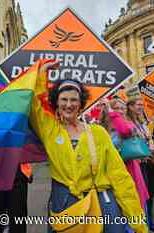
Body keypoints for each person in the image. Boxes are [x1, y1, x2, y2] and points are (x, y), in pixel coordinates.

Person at [29, 60, 146, 232]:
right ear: (56, 102)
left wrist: (138, 222)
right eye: (64, 100)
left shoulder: (98, 132)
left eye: (74, 100)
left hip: (102, 203)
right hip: (66, 205)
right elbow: (34, 106)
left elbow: (120, 176)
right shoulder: (50, 129)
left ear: (81, 103)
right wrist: (41, 76)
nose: (69, 105)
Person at [126, 94, 154, 230]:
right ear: (130, 107)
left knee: (149, 193)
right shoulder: (129, 123)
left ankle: (149, 222)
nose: (141, 107)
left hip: (148, 161)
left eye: (142, 105)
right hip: (138, 163)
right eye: (138, 105)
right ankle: (143, 223)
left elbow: (147, 139)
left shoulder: (142, 122)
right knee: (141, 194)